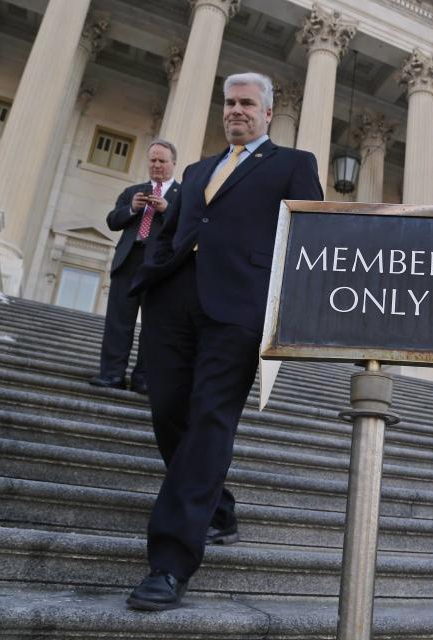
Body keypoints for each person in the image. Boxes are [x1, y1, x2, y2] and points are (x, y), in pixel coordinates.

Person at [125, 72, 324, 611]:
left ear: (268, 111)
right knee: (168, 412)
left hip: (238, 308)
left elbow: (309, 237)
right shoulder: (198, 169)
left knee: (211, 418)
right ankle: (218, 509)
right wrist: (154, 275)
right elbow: (175, 231)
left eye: (247, 103)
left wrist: (287, 315)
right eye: (229, 103)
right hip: (173, 301)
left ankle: (169, 563)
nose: (236, 110)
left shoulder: (292, 164)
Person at [89, 140, 179, 394]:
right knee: (118, 322)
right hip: (128, 262)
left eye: (162, 161)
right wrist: (131, 208)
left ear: (173, 163)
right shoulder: (133, 191)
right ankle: (111, 374)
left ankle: (144, 379)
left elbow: (188, 228)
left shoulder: (183, 196)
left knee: (154, 327)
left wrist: (167, 210)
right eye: (152, 160)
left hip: (160, 268)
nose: (157, 165)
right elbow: (112, 221)